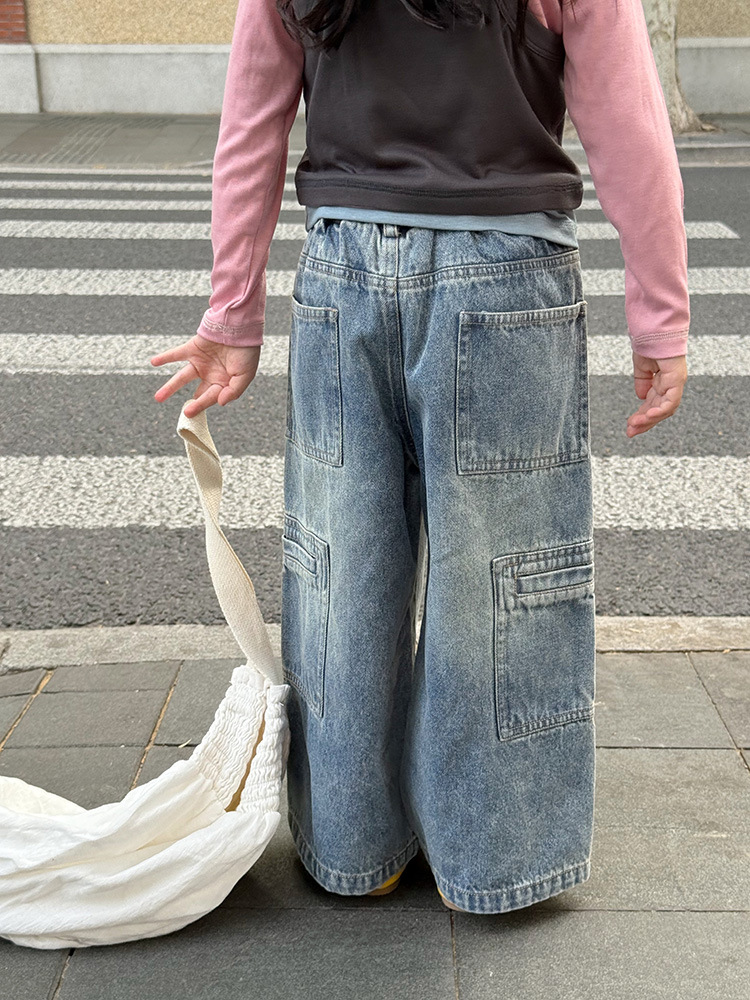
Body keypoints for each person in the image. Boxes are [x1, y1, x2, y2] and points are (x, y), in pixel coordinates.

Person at [150, 0, 690, 914]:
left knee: (343, 572)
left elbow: (251, 120)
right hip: (507, 267)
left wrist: (233, 309)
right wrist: (661, 316)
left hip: (343, 270)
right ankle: (493, 859)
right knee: (501, 579)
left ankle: (356, 846)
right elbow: (629, 123)